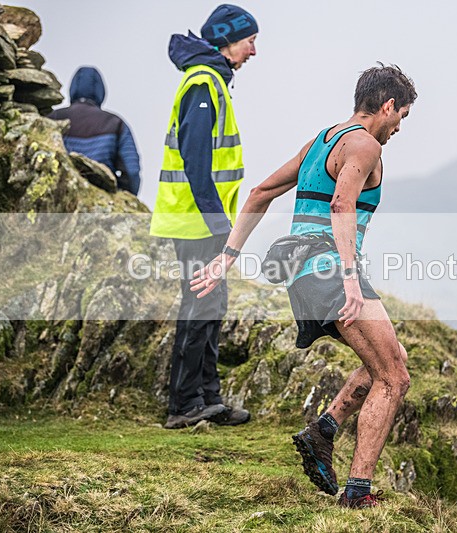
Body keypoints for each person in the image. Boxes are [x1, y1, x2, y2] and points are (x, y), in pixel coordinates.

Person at [191, 64, 417, 507]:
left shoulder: (321, 142)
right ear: (387, 106)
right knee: (394, 378)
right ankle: (357, 494)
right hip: (330, 270)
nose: (398, 128)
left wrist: (227, 257)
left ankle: (323, 431)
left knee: (391, 359)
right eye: (402, 116)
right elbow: (341, 204)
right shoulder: (365, 144)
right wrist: (352, 281)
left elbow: (259, 192)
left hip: (303, 271)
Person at [149, 4, 258, 430]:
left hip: (202, 221)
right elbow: (195, 164)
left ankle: (207, 397)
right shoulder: (202, 83)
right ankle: (184, 404)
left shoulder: (211, 80)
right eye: (250, 41)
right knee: (202, 305)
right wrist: (220, 225)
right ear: (229, 40)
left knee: (212, 305)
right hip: (197, 222)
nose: (253, 51)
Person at [49, 67, 142, 195]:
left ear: (72, 89)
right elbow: (132, 171)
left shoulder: (52, 118)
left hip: (58, 193)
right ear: (101, 92)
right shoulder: (116, 123)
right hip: (102, 196)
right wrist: (121, 195)